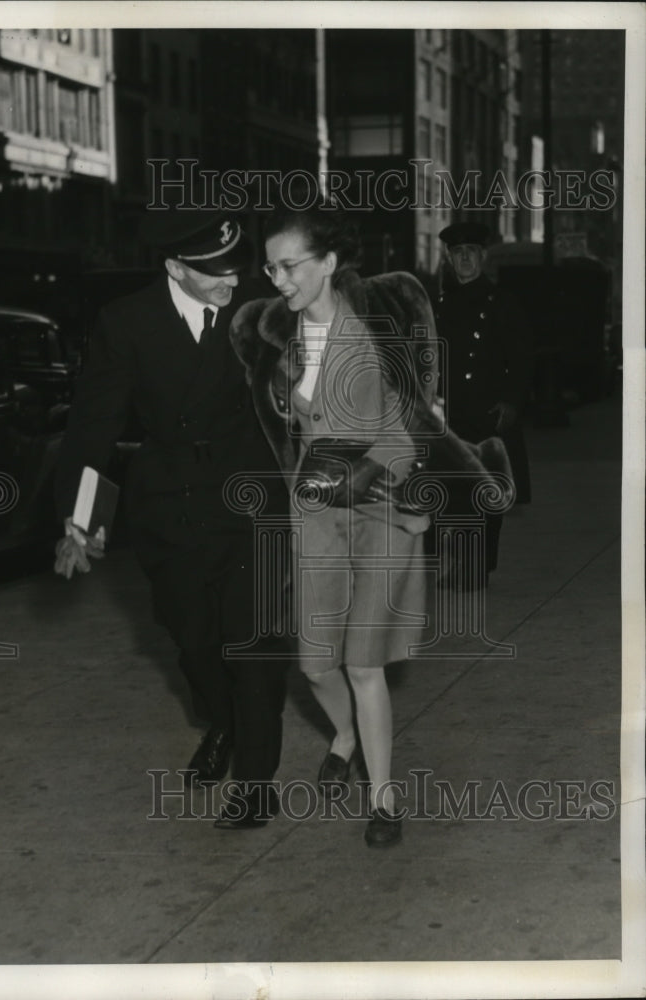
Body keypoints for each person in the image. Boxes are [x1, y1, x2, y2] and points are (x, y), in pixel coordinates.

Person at [230, 202, 510, 847]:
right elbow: (287, 438)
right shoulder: (282, 339)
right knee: (315, 665)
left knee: (362, 665)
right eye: (270, 267)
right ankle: (347, 735)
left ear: (328, 264)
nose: (277, 279)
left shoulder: (379, 331)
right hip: (318, 516)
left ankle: (383, 800)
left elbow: (413, 428)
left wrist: (381, 475)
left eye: (290, 265)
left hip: (381, 508)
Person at [53, 210, 288, 830]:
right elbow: (93, 429)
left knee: (254, 648)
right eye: (212, 274)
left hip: (250, 500)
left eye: (236, 270)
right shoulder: (126, 323)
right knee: (195, 646)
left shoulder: (263, 311)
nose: (229, 284)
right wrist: (81, 521)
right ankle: (225, 724)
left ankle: (257, 784)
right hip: (170, 506)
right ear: (173, 268)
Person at [435, 221, 532, 588]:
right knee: (452, 493)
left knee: (487, 493)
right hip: (450, 413)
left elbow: (522, 358)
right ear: (448, 257)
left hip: (488, 413)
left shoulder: (501, 302)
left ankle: (478, 567)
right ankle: (458, 564)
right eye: (458, 253)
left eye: (471, 252)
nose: (464, 258)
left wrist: (511, 402)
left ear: (482, 257)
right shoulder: (439, 304)